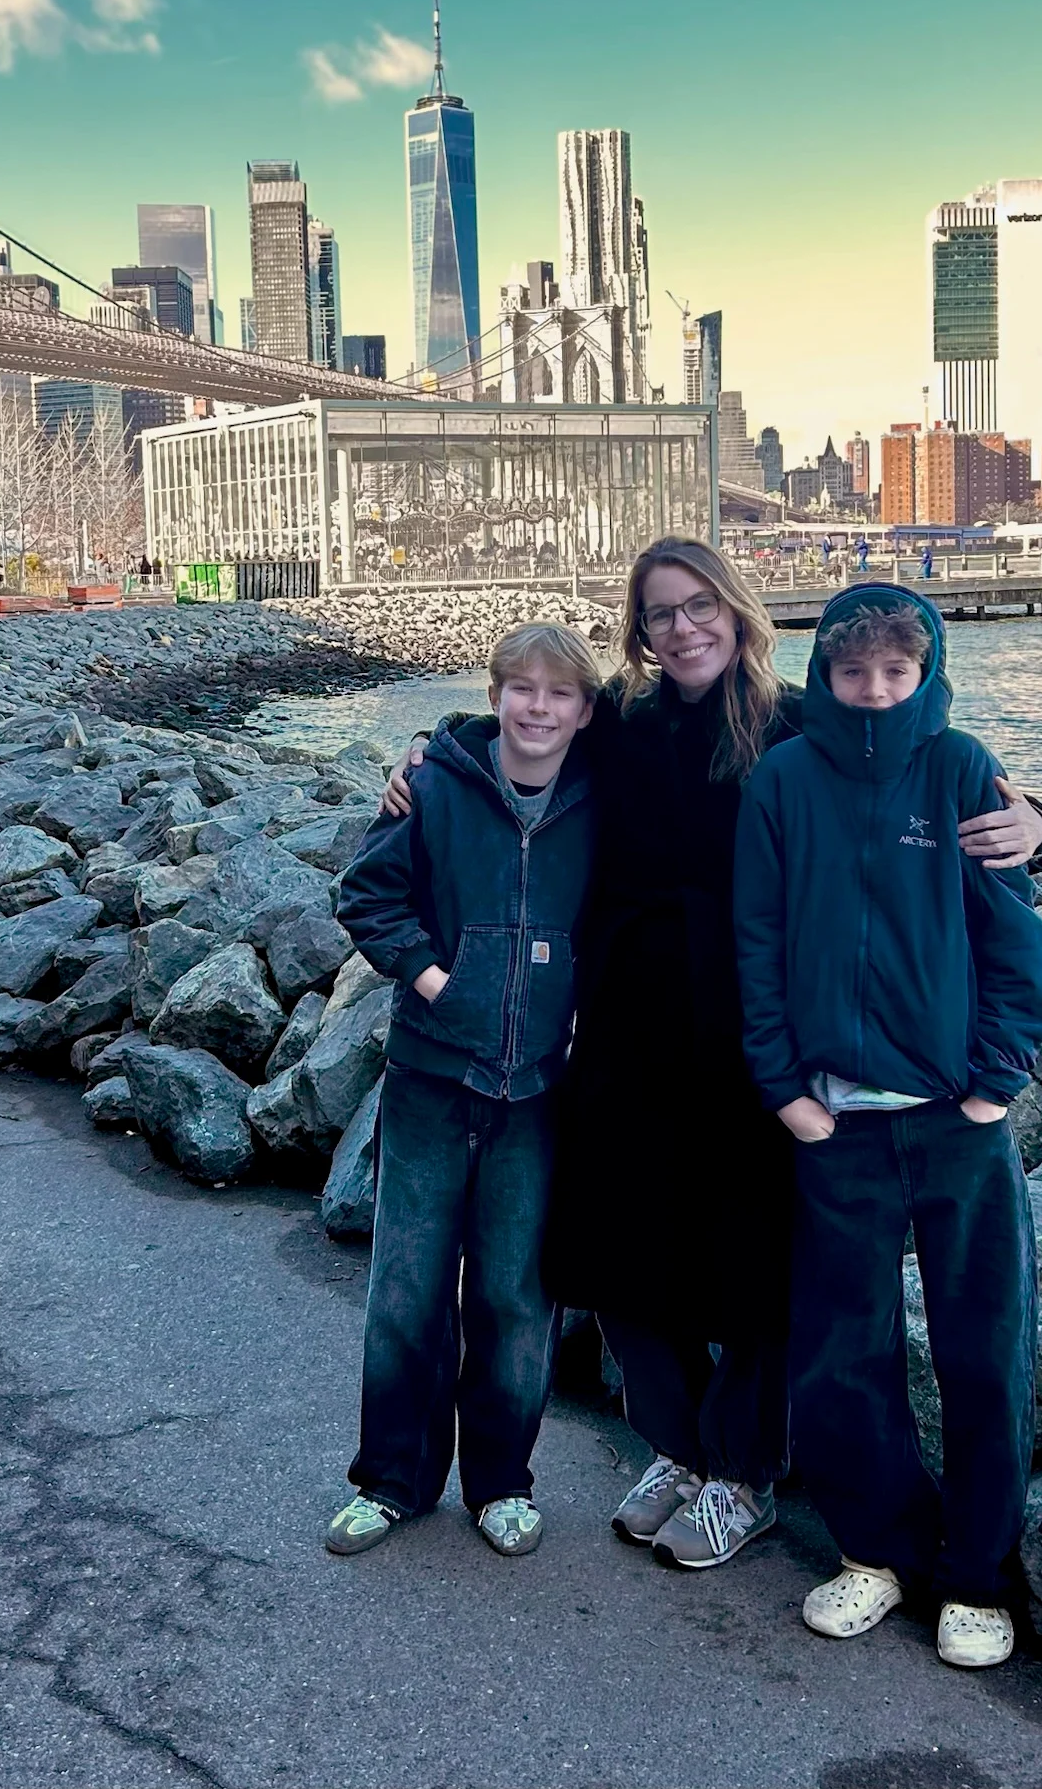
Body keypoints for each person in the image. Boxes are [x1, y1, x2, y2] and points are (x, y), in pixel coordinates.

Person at [382, 539, 1042, 1572]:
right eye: (661, 613)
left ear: (737, 612)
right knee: (617, 1249)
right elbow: (522, 723)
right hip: (627, 1016)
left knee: (752, 1260)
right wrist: (426, 755)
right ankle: (679, 1445)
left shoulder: (798, 723)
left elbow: (914, 765)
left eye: (700, 605)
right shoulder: (623, 719)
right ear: (641, 632)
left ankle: (742, 1469)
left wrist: (1040, 825)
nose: (683, 627)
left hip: (756, 1026)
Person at [734, 587, 1042, 1670]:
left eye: (894, 672)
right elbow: (757, 941)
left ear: (925, 674)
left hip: (959, 1121)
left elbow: (1017, 940)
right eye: (852, 672)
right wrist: (787, 1090)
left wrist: (997, 1081)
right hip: (836, 1126)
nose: (874, 691)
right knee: (841, 1353)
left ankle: (976, 1576)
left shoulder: (961, 767)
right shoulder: (784, 779)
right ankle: (874, 1551)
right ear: (823, 677)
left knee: (986, 1348)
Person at [328, 623, 602, 1561]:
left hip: (538, 1091)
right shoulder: (436, 785)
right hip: (430, 1080)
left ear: (585, 711)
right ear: (494, 697)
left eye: (559, 693)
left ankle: (501, 1484)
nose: (538, 707)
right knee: (406, 1288)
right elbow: (367, 894)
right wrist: (436, 980)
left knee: (515, 1297)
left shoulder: (600, 802)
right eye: (521, 688)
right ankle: (390, 1481)